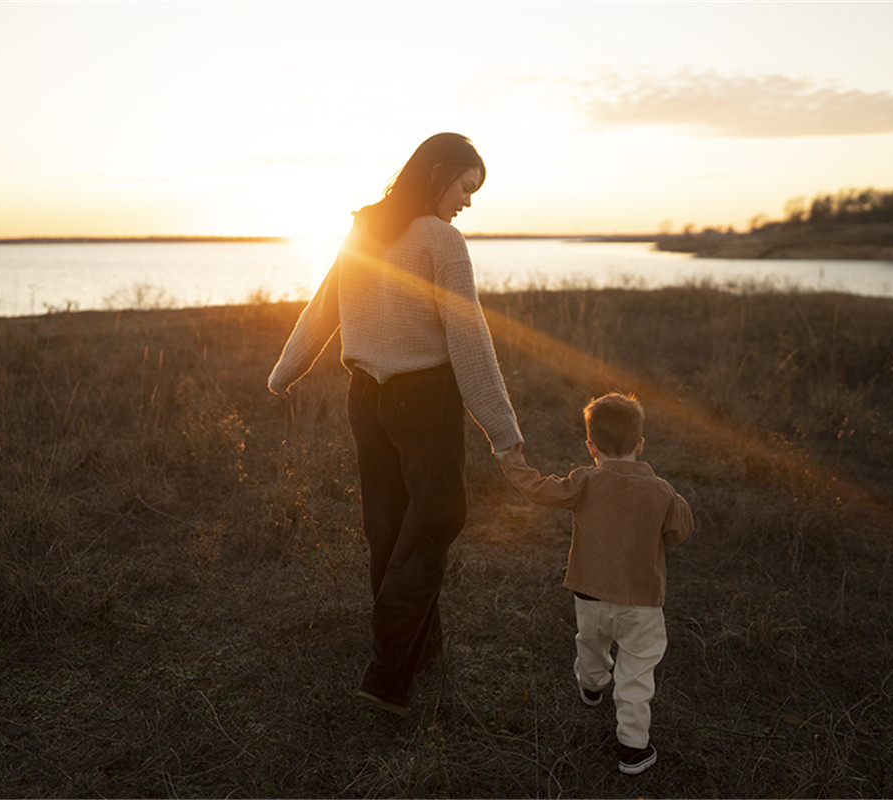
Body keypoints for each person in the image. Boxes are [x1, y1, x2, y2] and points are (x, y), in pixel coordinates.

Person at [267, 133, 523, 718]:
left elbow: (321, 309)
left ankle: (419, 650)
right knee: (436, 520)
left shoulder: (363, 231)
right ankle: (388, 675)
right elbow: (468, 336)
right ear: (436, 174)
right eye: (465, 186)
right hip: (425, 400)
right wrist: (503, 431)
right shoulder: (441, 239)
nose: (467, 201)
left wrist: (284, 372)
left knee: (387, 526)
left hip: (366, 398)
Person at [500, 392, 694, 774]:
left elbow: (539, 489)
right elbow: (678, 532)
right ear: (640, 444)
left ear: (591, 447)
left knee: (590, 643)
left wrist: (513, 464)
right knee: (636, 672)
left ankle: (591, 685)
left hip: (589, 594)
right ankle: (633, 748)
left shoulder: (584, 481)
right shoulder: (661, 491)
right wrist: (668, 504)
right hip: (641, 601)